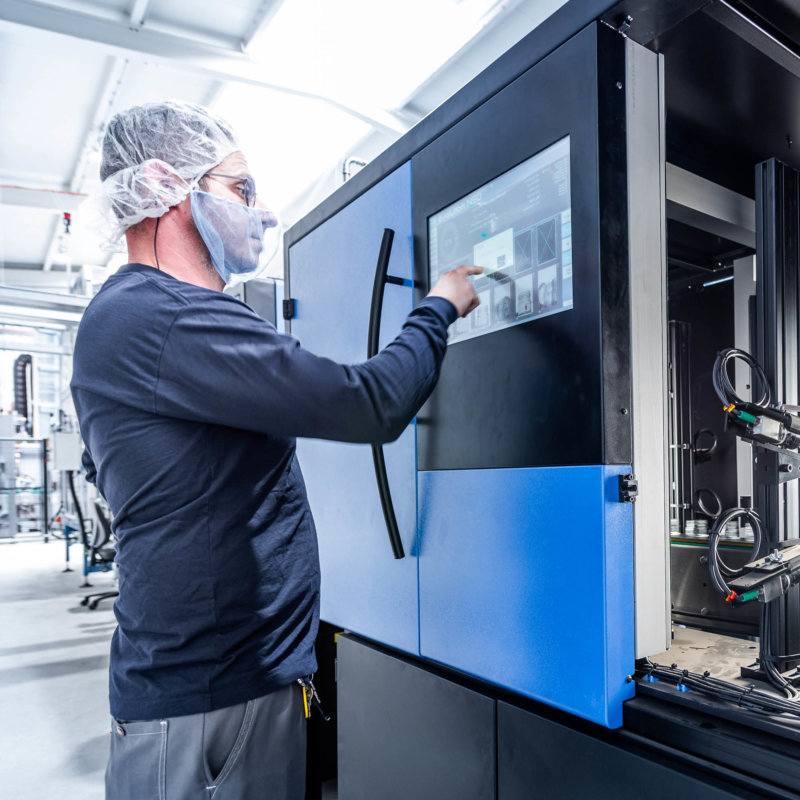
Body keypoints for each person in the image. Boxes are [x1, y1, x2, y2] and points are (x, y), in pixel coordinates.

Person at [71, 100, 480, 800]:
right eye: (241, 189)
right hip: (207, 711)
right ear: (169, 186)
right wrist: (439, 306)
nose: (259, 214)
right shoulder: (161, 317)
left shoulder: (148, 320)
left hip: (229, 690)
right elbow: (369, 402)